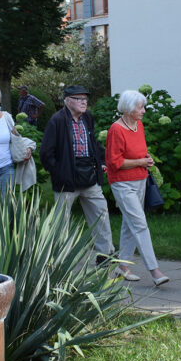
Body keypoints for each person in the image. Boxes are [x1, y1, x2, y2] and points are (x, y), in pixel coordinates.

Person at [41, 85, 113, 259]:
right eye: (79, 99)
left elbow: (93, 143)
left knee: (101, 215)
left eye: (85, 99)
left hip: (89, 175)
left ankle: (105, 256)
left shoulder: (87, 117)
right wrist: (60, 173)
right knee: (61, 222)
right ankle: (59, 260)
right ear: (67, 101)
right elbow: (46, 153)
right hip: (66, 179)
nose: (83, 102)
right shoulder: (57, 120)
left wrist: (102, 161)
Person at [105, 89, 169, 286]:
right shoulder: (116, 130)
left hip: (141, 180)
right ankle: (155, 271)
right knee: (139, 224)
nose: (144, 111)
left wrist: (146, 158)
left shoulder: (138, 125)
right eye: (140, 107)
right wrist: (141, 161)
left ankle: (122, 266)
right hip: (122, 184)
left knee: (129, 224)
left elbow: (139, 151)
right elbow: (114, 162)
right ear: (129, 108)